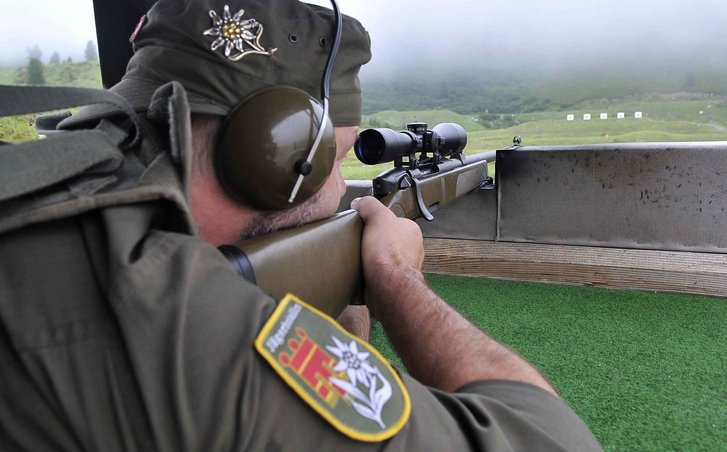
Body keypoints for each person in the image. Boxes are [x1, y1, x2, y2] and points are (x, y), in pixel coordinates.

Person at [0, 0, 601, 450]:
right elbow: (547, 437)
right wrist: (393, 277)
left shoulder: (58, 198)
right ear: (274, 153)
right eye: (327, 164)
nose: (340, 191)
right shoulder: (163, 306)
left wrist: (338, 288)